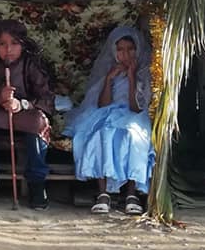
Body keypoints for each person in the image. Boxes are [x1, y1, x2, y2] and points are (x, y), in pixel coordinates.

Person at [64, 26, 154, 215]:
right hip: (108, 113)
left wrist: (131, 77)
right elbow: (103, 104)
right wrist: (109, 80)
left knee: (132, 136)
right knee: (102, 134)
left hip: (134, 116)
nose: (125, 54)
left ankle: (131, 195)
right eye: (120, 50)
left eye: (130, 49)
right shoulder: (110, 71)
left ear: (137, 49)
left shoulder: (144, 74)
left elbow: (136, 107)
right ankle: (103, 194)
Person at [0, 19, 54, 209]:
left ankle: (37, 181)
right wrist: (0, 98)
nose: (8, 49)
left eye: (14, 43)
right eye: (2, 44)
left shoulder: (32, 64)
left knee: (38, 121)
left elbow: (46, 99)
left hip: (25, 115)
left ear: (23, 44)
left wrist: (21, 104)